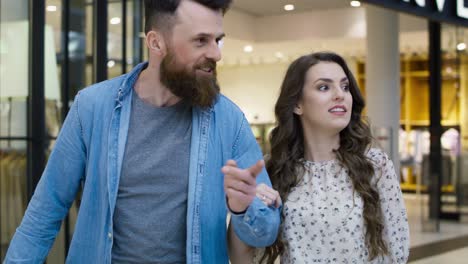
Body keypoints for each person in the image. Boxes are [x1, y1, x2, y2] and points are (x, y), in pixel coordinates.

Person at [4, 0, 280, 263]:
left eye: (217, 40)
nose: (216, 53)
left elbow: (266, 231)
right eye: (200, 40)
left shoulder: (229, 120)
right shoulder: (91, 107)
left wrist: (244, 208)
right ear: (156, 42)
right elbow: (44, 213)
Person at [230, 52, 410, 263]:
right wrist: (241, 208)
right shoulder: (274, 169)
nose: (340, 95)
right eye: (324, 87)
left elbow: (397, 250)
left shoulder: (375, 164)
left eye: (345, 87)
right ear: (297, 104)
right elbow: (242, 258)